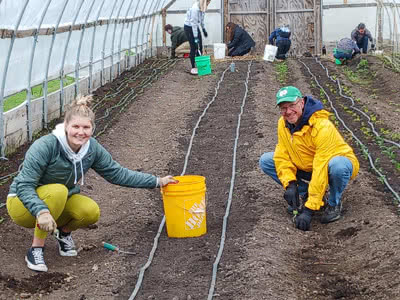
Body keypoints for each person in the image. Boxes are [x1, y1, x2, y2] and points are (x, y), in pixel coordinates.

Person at [6, 96, 178, 272]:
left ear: (92, 129)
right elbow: (24, 185)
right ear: (66, 126)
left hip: (57, 201)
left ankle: (63, 233)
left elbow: (117, 173)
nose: (81, 132)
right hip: (22, 205)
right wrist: (41, 211)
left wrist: (157, 181)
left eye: (86, 127)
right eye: (76, 127)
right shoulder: (46, 146)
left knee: (90, 211)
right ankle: (35, 249)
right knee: (58, 191)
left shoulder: (91, 148)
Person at [259, 86, 359, 231]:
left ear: (302, 103)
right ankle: (304, 193)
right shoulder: (283, 124)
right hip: (306, 166)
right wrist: (290, 184)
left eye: (292, 105)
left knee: (339, 165)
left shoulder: (321, 126)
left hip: (330, 166)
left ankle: (333, 203)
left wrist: (308, 210)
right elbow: (282, 155)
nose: (287, 111)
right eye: (283, 108)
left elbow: (321, 167)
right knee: (267, 160)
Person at [184, 0, 211, 75]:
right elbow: (193, 24)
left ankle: (200, 66)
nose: (208, 4)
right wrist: (195, 37)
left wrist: (203, 29)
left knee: (200, 47)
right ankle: (193, 67)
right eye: (208, 3)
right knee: (194, 47)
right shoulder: (195, 9)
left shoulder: (202, 7)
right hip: (189, 28)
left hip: (195, 27)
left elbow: (202, 19)